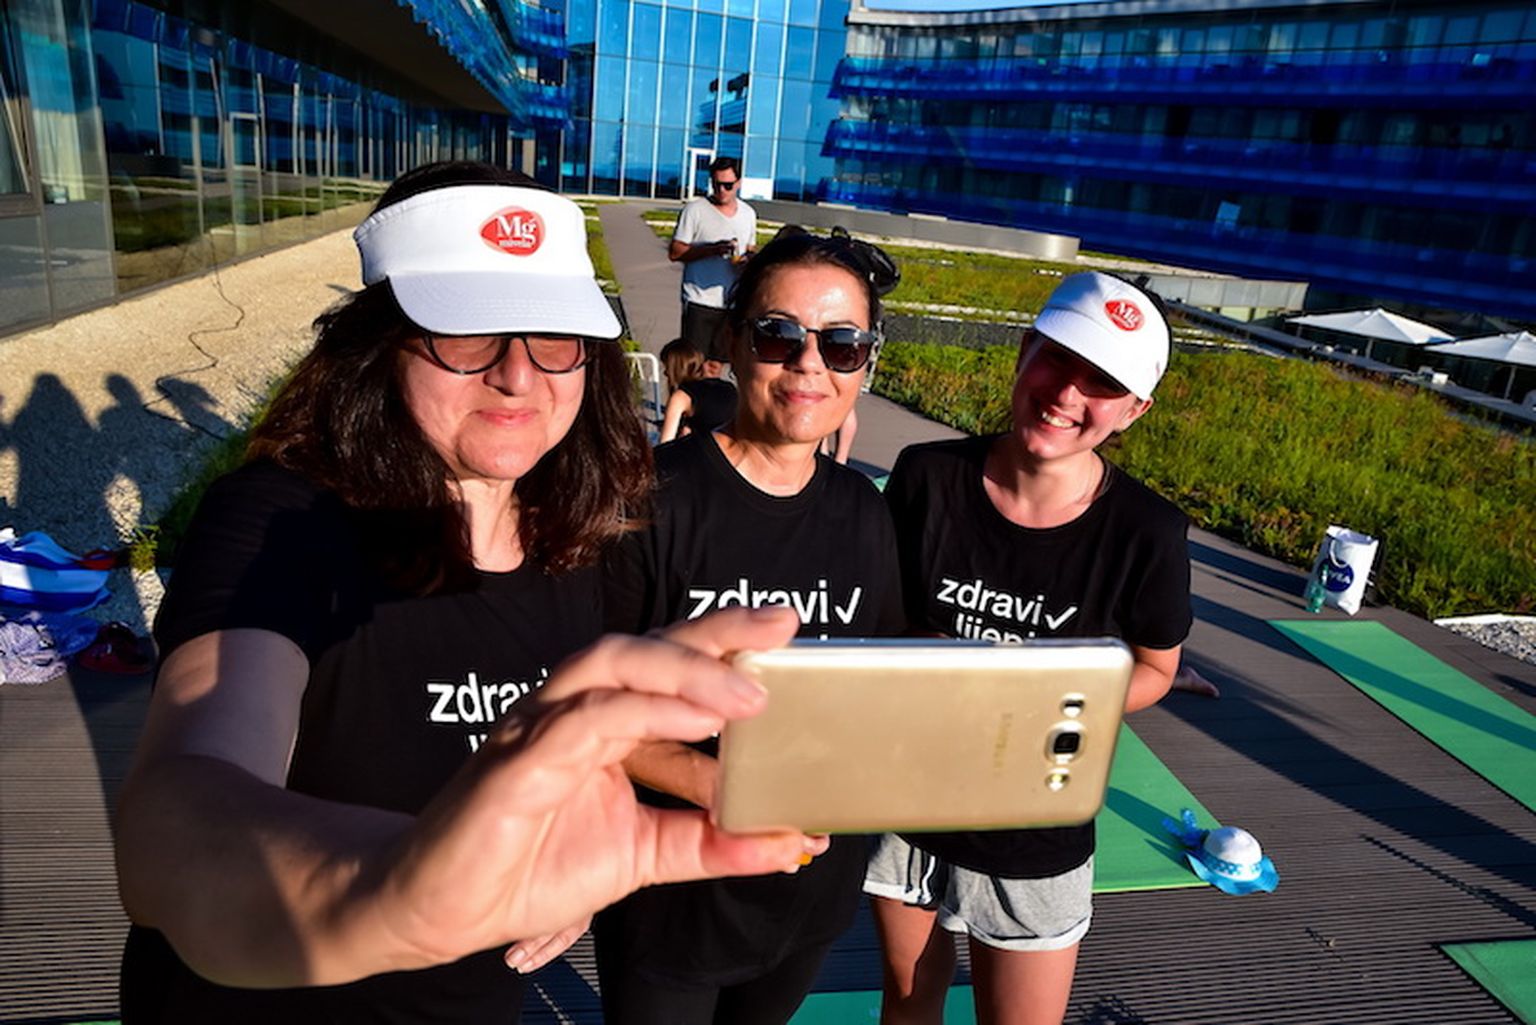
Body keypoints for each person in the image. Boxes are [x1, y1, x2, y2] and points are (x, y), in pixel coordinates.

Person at [112, 161, 820, 1025]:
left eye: (553, 334)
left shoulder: (571, 537)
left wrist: (589, 845)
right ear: (377, 343)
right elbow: (174, 821)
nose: (518, 374)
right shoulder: (282, 522)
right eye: (466, 330)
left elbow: (548, 736)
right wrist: (395, 888)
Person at [596, 230, 907, 1025]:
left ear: (865, 365)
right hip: (668, 895)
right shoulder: (648, 499)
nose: (810, 363)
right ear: (732, 343)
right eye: (778, 334)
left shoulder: (864, 511)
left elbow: (881, 690)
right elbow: (584, 709)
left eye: (842, 344)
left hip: (807, 898)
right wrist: (730, 789)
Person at [866, 271, 1192, 1025]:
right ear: (1024, 350)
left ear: (1135, 410)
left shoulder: (1147, 531)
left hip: (1037, 823)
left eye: (1102, 382)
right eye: (1058, 358)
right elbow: (881, 619)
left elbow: (1156, 667)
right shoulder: (926, 475)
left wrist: (1046, 696)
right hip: (909, 796)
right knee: (908, 1000)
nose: (1067, 393)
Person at [670, 156, 757, 361]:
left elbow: (750, 249)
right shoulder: (695, 210)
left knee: (717, 364)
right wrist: (712, 250)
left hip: (731, 302)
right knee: (694, 363)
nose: (722, 191)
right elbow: (675, 252)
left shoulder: (748, 213)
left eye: (728, 185)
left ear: (739, 183)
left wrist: (748, 261)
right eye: (716, 185)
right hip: (699, 299)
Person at [659, 339, 738, 443]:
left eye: (667, 367)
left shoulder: (681, 397)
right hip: (735, 447)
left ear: (675, 369)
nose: (665, 373)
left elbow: (665, 444)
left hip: (705, 450)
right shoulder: (729, 388)